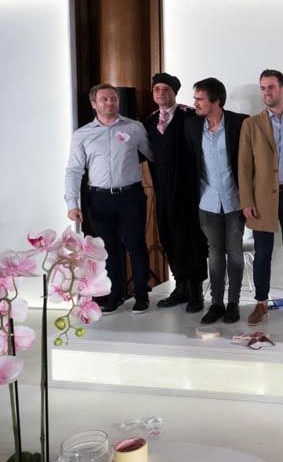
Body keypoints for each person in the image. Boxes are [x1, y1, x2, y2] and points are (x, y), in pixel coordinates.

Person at [65, 83, 153, 314]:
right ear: (94, 104)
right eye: (104, 99)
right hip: (99, 198)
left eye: (113, 98)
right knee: (109, 248)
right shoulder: (82, 134)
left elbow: (153, 155)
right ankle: (116, 295)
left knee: (136, 245)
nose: (110, 103)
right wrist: (72, 203)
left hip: (131, 196)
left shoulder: (134, 128)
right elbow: (74, 170)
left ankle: (141, 295)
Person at [239, 69, 283, 326]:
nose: (266, 92)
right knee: (262, 254)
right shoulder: (251, 124)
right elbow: (244, 166)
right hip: (261, 199)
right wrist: (246, 200)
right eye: (263, 88)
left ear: (282, 88)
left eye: (271, 87)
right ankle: (261, 303)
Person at [184, 78, 248, 324]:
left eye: (200, 99)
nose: (195, 104)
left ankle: (233, 303)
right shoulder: (192, 126)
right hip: (207, 201)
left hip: (234, 201)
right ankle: (217, 303)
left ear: (216, 101)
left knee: (235, 253)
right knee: (215, 254)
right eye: (195, 99)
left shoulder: (239, 123)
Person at [145, 72, 208, 314]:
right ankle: (180, 286)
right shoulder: (150, 121)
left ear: (174, 92)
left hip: (188, 190)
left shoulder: (189, 116)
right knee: (169, 237)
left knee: (190, 240)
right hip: (163, 190)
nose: (160, 93)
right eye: (156, 89)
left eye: (166, 89)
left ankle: (195, 291)